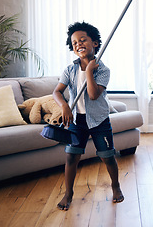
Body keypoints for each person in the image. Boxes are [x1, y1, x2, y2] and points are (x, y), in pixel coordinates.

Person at [53, 21, 124, 211]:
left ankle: (116, 186)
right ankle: (68, 194)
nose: (78, 44)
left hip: (99, 120)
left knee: (107, 156)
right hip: (77, 121)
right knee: (71, 157)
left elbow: (93, 95)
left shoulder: (102, 70)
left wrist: (90, 71)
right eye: (74, 43)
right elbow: (57, 92)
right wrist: (65, 107)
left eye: (82, 40)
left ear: (95, 43)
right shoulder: (70, 70)